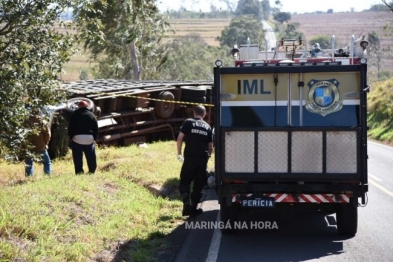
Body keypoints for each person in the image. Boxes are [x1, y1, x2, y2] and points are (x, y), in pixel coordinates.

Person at [177, 105, 213, 217]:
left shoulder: (188, 122)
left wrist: (179, 153)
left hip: (189, 157)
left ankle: (186, 199)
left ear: (194, 112)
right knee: (198, 184)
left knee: (185, 180)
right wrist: (208, 157)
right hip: (202, 159)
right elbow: (210, 146)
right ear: (204, 114)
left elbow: (179, 138)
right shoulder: (207, 127)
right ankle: (193, 209)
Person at [68, 100, 98, 174]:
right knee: (91, 156)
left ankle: (79, 172)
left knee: (77, 156)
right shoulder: (92, 115)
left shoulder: (75, 115)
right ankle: (92, 170)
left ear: (79, 107)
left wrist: (71, 137)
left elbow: (71, 127)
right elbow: (96, 128)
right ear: (87, 107)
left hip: (77, 138)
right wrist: (94, 138)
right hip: (89, 138)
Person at [24, 109, 52, 176]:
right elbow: (47, 134)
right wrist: (45, 143)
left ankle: (29, 176)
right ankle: (48, 175)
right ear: (39, 113)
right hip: (40, 146)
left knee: (28, 163)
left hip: (29, 146)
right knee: (47, 162)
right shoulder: (42, 122)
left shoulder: (25, 122)